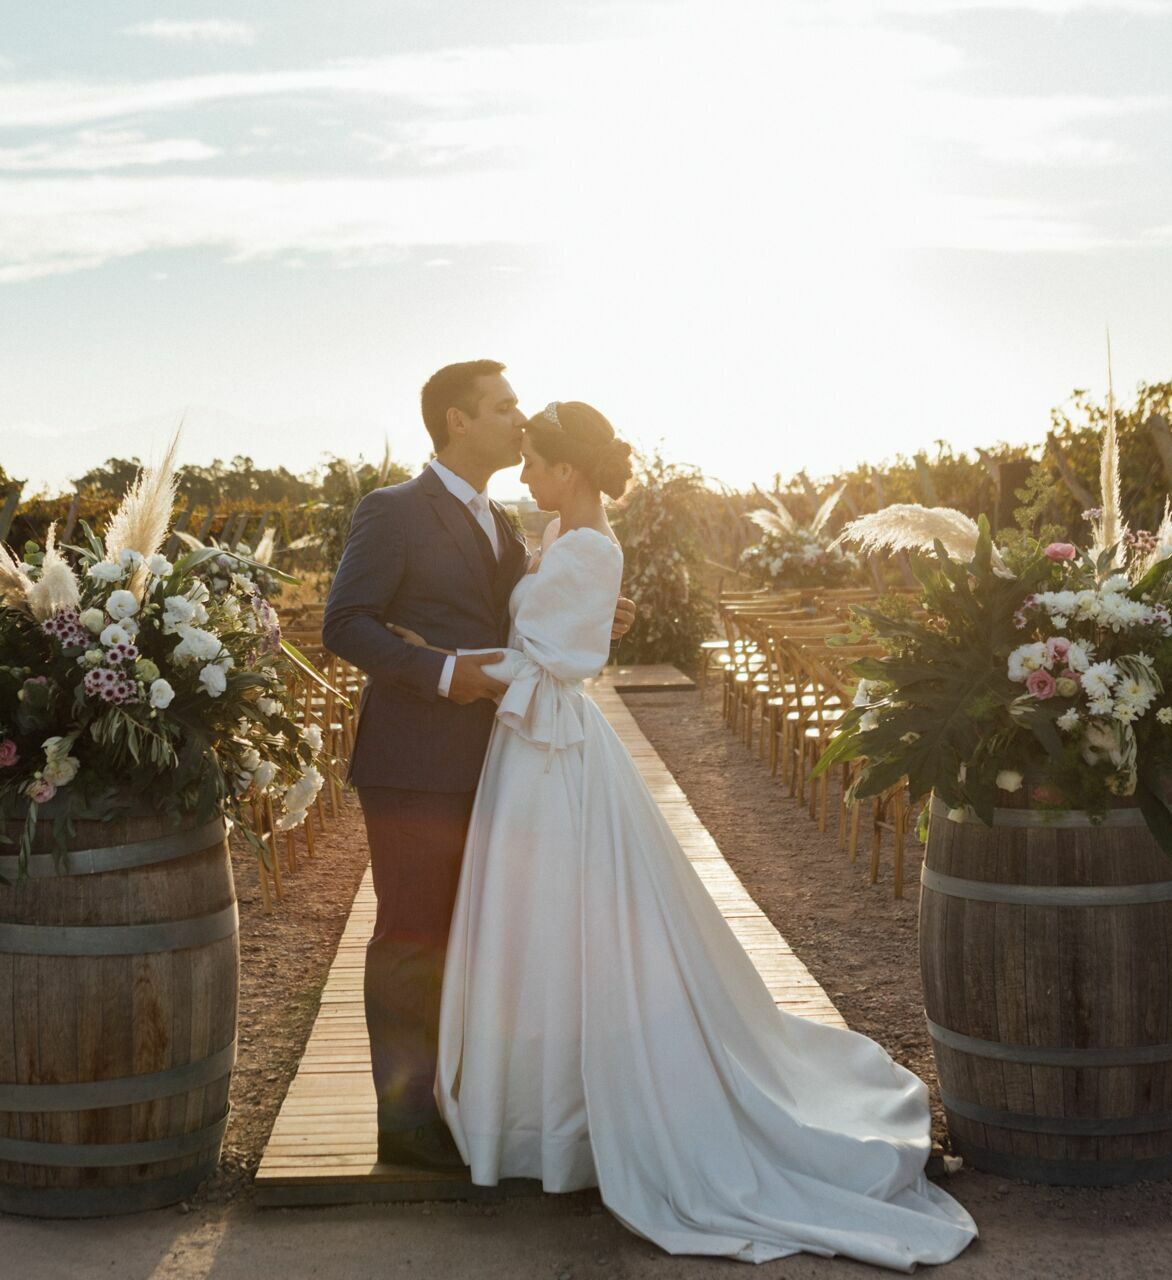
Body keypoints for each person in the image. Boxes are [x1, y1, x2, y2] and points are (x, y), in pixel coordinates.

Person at [418, 400, 979, 1269]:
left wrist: (444, 665)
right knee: (543, 923)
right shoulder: (572, 543)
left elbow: (545, 665)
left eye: (534, 461)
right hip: (539, 744)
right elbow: (553, 636)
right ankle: (543, 1117)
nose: (524, 476)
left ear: (567, 470)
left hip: (546, 750)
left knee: (559, 919)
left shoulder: (588, 547)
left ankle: (559, 1124)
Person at [320, 361, 633, 1170]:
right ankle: (405, 1124)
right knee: (410, 935)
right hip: (415, 760)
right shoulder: (392, 510)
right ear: (457, 420)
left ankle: (468, 1098)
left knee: (478, 935)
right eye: (504, 407)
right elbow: (346, 623)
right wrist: (442, 671)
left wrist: (593, 611)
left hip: (500, 759)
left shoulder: (504, 521)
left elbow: (522, 626)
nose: (518, 419)